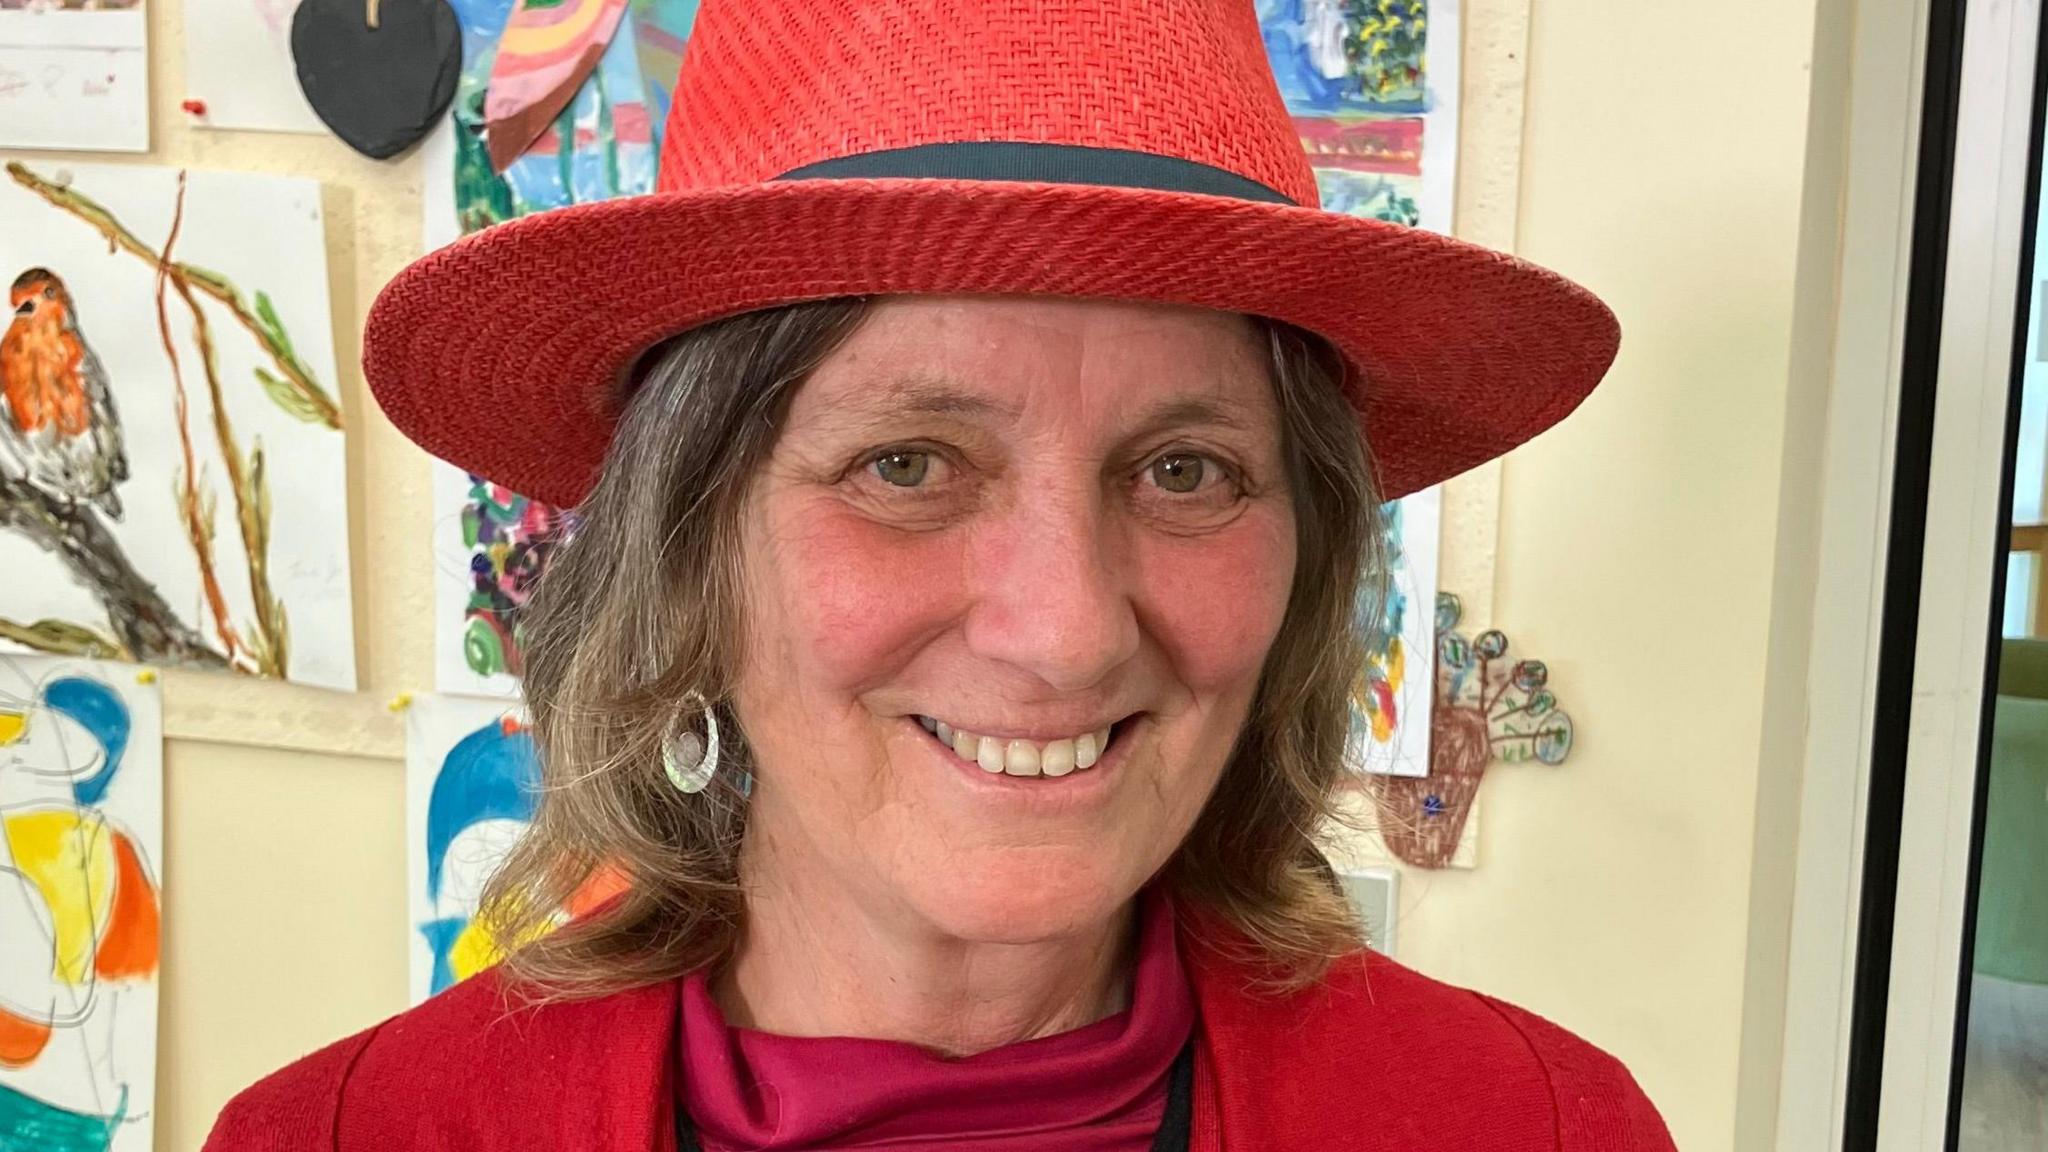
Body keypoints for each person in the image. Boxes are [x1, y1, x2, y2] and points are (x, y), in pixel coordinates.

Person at [206, 0, 1676, 1148]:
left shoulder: (1535, 1129)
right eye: (908, 464)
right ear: (689, 553)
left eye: (1185, 471)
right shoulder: (344, 1139)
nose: (1066, 629)